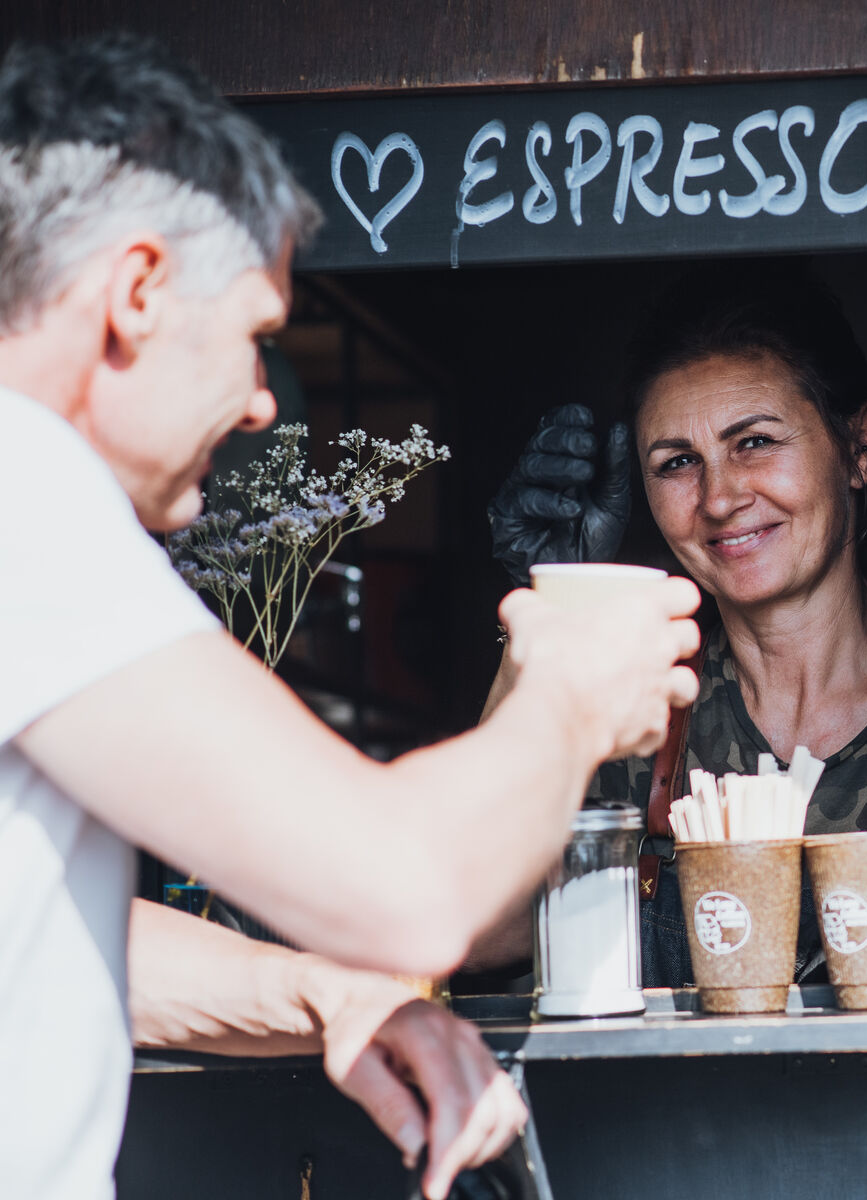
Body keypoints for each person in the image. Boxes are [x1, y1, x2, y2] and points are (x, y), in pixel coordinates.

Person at [0, 35, 700, 1200]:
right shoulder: (28, 498)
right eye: (257, 332)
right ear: (134, 295)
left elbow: (52, 941)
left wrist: (325, 994)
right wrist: (576, 689)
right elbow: (411, 890)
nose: (266, 397)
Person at [474, 271, 867, 987]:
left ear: (859, 448)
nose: (719, 498)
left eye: (754, 441)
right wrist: (549, 616)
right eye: (679, 462)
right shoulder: (638, 709)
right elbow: (480, 926)